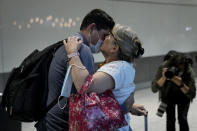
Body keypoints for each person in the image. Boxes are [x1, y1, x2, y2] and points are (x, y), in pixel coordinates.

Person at [35, 9, 115, 131]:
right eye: (104, 35)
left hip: (50, 119)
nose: (104, 41)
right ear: (92, 28)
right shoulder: (83, 50)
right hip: (62, 124)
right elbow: (87, 93)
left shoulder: (66, 44)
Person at [64, 24, 147, 131]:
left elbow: (85, 85)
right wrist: (127, 107)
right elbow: (114, 96)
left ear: (115, 47)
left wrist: (72, 53)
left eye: (109, 36)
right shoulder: (122, 66)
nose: (104, 37)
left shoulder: (118, 67)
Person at [151, 52, 196, 131]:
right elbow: (154, 88)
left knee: (182, 118)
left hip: (183, 96)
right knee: (170, 120)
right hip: (168, 95)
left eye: (180, 69)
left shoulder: (188, 69)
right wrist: (164, 77)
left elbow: (192, 94)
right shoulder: (164, 67)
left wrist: (180, 83)